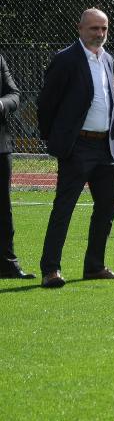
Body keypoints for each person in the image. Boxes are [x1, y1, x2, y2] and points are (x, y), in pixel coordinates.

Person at [37, 8, 114, 288]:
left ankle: (95, 266)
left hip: (106, 147)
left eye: (104, 28)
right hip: (78, 147)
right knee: (64, 208)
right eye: (94, 28)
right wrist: (59, 140)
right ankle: (51, 270)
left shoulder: (108, 59)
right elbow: (46, 104)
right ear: (80, 28)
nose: (99, 33)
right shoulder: (65, 60)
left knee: (107, 207)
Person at [1, 52, 34, 279]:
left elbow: (14, 95)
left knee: (3, 208)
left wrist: (1, 103)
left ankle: (7, 264)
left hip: (0, 147)